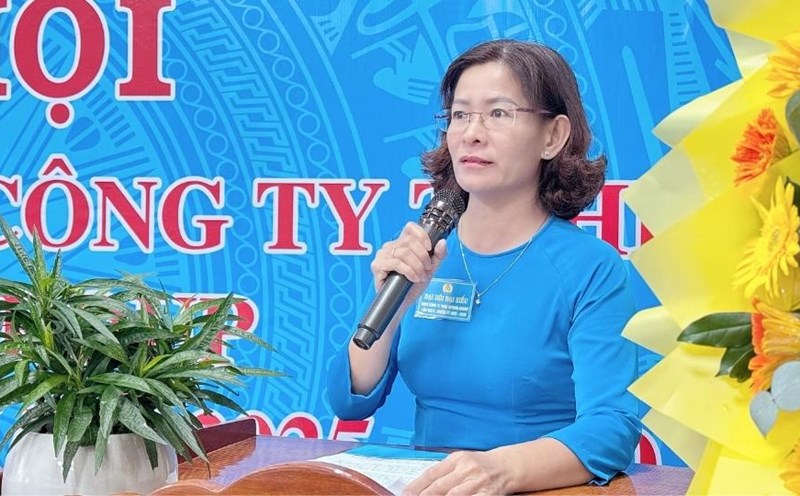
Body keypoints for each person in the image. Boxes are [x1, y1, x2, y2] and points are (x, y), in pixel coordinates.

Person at [328, 39, 641, 494]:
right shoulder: (423, 252)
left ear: (553, 136)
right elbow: (348, 401)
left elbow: (613, 429)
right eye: (459, 115)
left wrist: (500, 470)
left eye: (499, 113)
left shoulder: (591, 268)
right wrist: (394, 304)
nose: (472, 133)